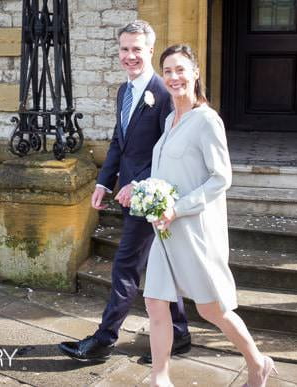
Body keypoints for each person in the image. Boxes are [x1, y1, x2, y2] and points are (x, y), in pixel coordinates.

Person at [143, 44, 277, 387]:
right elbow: (171, 173)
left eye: (180, 69)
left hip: (192, 230)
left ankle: (257, 362)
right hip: (164, 230)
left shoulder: (206, 120)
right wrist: (141, 191)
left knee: (211, 310)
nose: (174, 77)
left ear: (195, 73)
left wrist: (178, 208)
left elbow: (221, 178)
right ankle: (160, 377)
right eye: (168, 71)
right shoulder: (171, 120)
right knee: (155, 302)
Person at [58, 20, 190, 363]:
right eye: (124, 49)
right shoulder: (124, 91)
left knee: (125, 267)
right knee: (161, 268)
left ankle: (104, 340)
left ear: (150, 50)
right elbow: (120, 141)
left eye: (137, 49)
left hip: (150, 196)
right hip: (128, 193)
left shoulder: (163, 95)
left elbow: (170, 150)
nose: (129, 56)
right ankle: (180, 335)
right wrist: (105, 181)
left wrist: (140, 183)